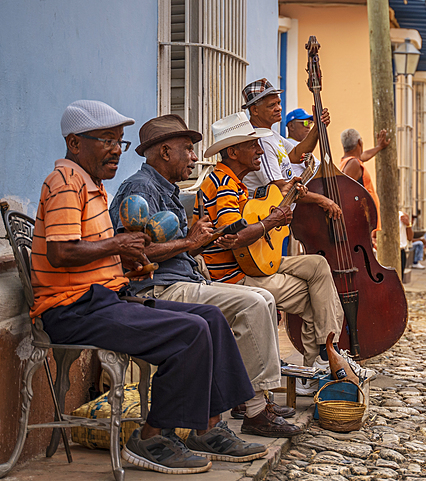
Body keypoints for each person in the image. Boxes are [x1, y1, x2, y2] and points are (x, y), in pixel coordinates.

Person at [33, 100, 259, 474]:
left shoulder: (93, 186)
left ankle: (208, 428)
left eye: (118, 142)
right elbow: (60, 252)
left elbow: (92, 253)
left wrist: (129, 262)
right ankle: (151, 438)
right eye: (105, 140)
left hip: (104, 299)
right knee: (189, 332)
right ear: (75, 143)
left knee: (212, 318)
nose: (114, 151)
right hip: (72, 308)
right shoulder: (64, 183)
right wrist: (117, 246)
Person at [110, 114, 301, 439]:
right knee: (254, 304)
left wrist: (201, 243)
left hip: (183, 281)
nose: (195, 157)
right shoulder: (140, 188)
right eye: (187, 149)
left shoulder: (166, 190)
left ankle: (254, 403)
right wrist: (190, 242)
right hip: (157, 289)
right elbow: (126, 255)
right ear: (165, 152)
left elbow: (177, 249)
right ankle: (254, 410)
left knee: (264, 299)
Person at [194, 112, 376, 394]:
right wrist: (272, 222)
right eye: (252, 145)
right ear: (232, 151)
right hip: (235, 276)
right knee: (315, 297)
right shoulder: (222, 185)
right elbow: (235, 237)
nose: (259, 150)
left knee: (317, 266)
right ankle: (325, 360)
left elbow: (250, 223)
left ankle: (319, 362)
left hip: (255, 264)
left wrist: (273, 216)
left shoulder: (240, 185)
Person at [239, 79, 342, 256]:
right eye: (272, 105)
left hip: (278, 220)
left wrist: (317, 127)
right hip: (265, 221)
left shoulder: (271, 134)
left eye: (278, 103)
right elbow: (278, 188)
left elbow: (296, 154)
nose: (278, 108)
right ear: (254, 110)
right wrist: (322, 199)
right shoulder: (259, 140)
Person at [339, 127, 390, 220]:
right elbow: (344, 192)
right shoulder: (353, 164)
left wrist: (379, 147)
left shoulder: (350, 161)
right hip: (364, 220)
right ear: (359, 142)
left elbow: (364, 155)